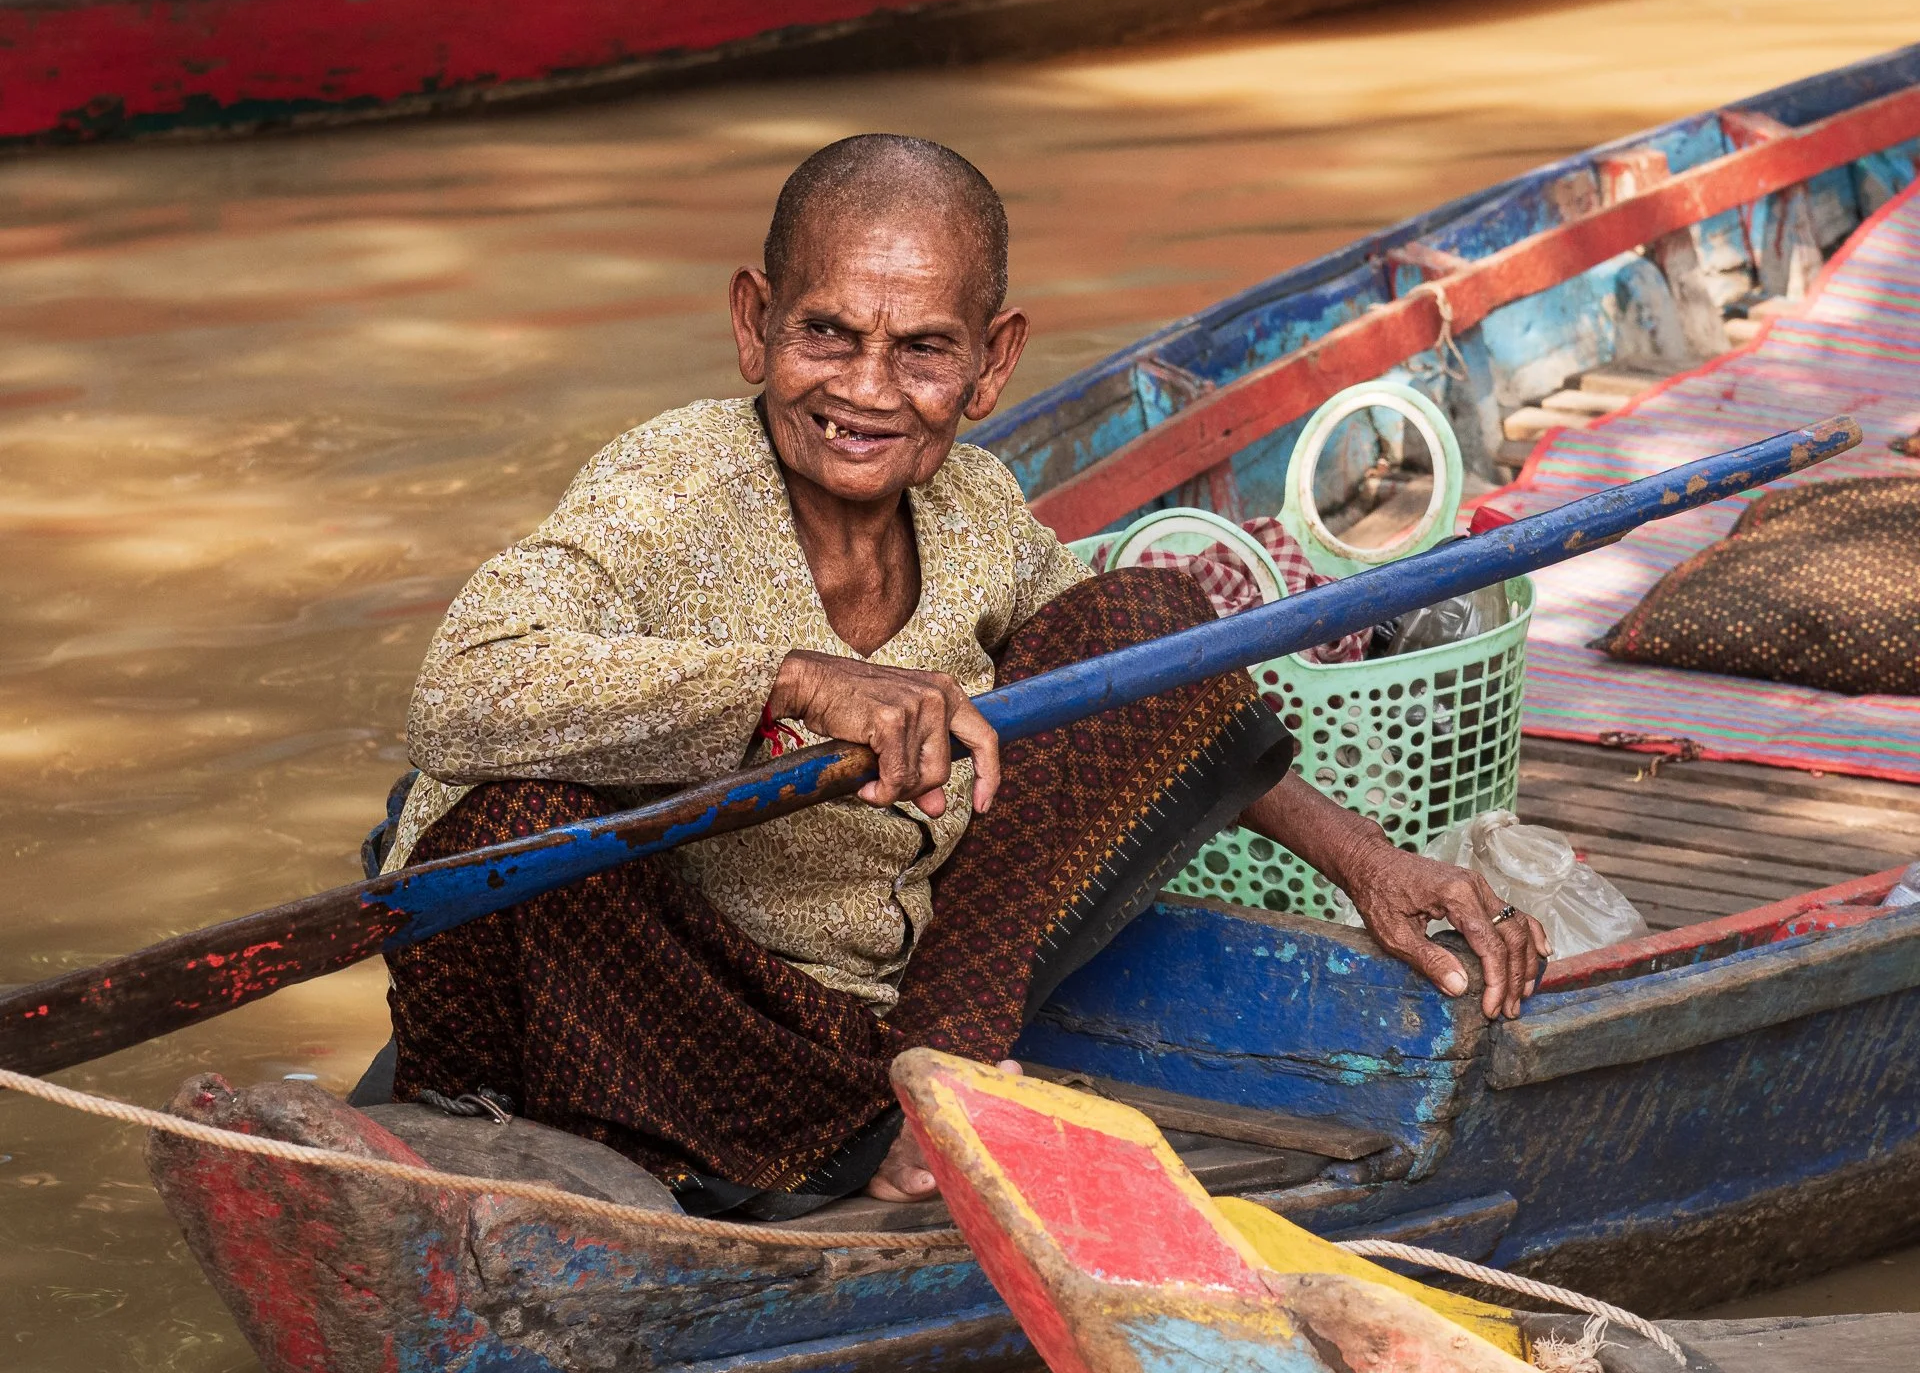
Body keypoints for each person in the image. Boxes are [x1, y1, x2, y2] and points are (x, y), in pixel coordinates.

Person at [380, 134, 1545, 1215]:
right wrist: (793, 681)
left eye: (924, 349)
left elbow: (1146, 690)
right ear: (753, 324)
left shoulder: (976, 510)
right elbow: (461, 686)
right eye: (825, 334)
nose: (868, 392)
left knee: (1147, 619)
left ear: (993, 364)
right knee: (512, 825)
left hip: (866, 1024)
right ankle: (818, 1134)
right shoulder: (669, 490)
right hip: (663, 1012)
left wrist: (1373, 865)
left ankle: (928, 1083)